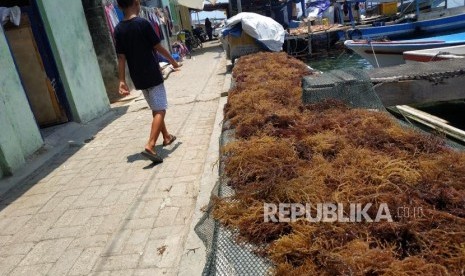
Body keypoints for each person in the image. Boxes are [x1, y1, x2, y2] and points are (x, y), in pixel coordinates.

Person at [114, 0, 180, 163]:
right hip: (151, 73)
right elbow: (158, 47)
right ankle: (150, 145)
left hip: (138, 77)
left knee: (155, 107)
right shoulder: (143, 23)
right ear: (136, 3)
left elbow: (121, 58)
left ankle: (166, 137)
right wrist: (172, 60)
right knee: (161, 109)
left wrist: (122, 80)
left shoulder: (118, 29)